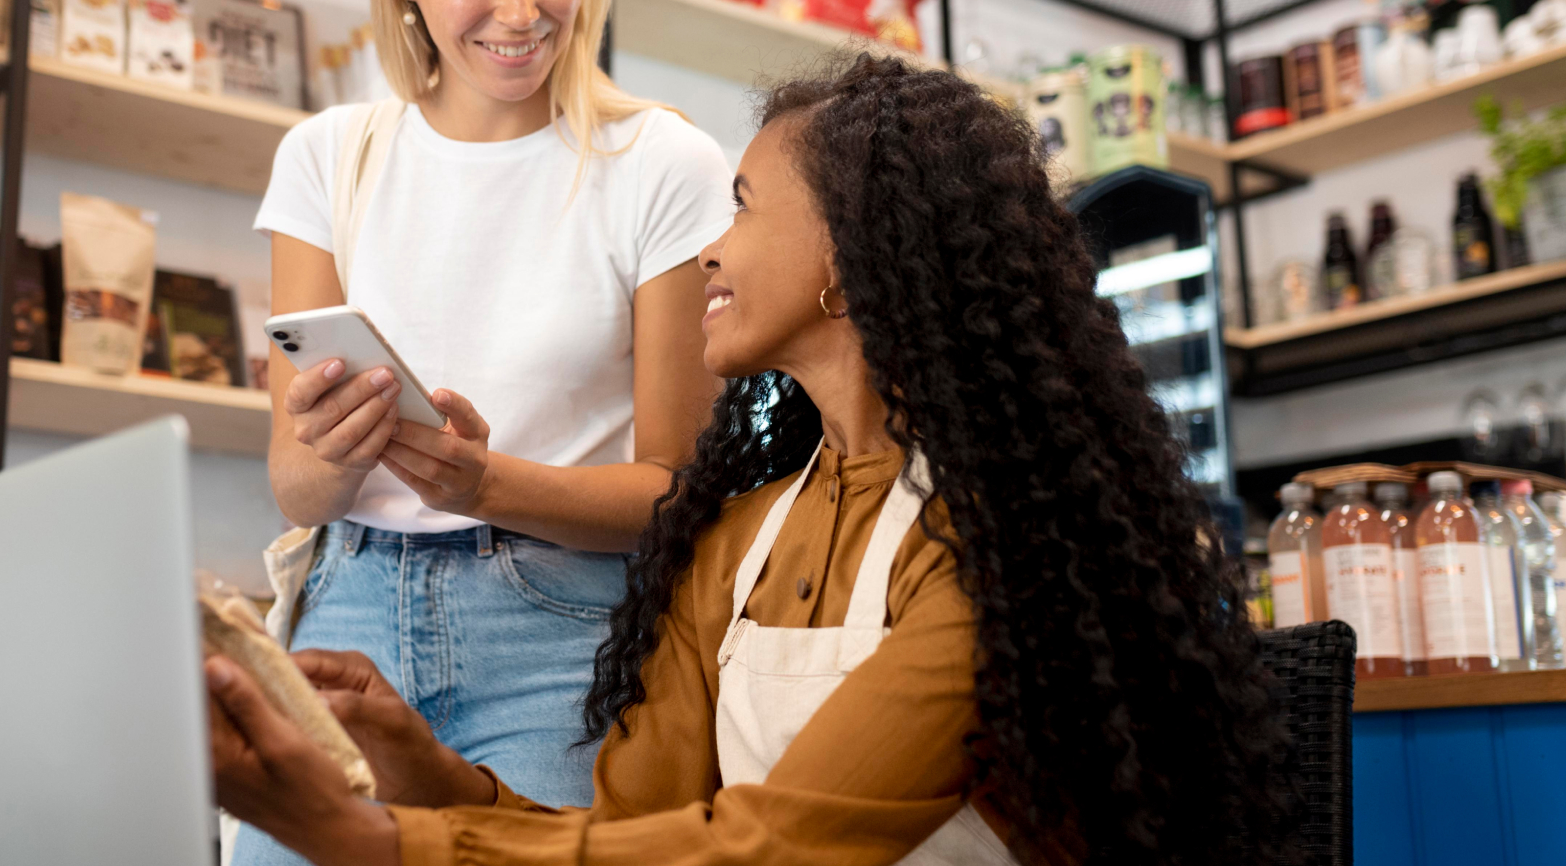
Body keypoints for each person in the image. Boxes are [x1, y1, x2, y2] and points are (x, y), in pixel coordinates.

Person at [209, 56, 1293, 866]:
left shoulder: (996, 547)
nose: (709, 249)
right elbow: (632, 838)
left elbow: (768, 846)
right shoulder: (738, 537)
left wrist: (365, 840)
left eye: (741, 205)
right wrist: (419, 766)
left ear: (849, 251)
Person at [238, 0, 730, 862]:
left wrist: (485, 483)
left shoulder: (661, 167)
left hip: (563, 629)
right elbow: (295, 485)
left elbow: (676, 491)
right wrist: (331, 448)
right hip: (346, 603)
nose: (520, 13)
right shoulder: (330, 158)